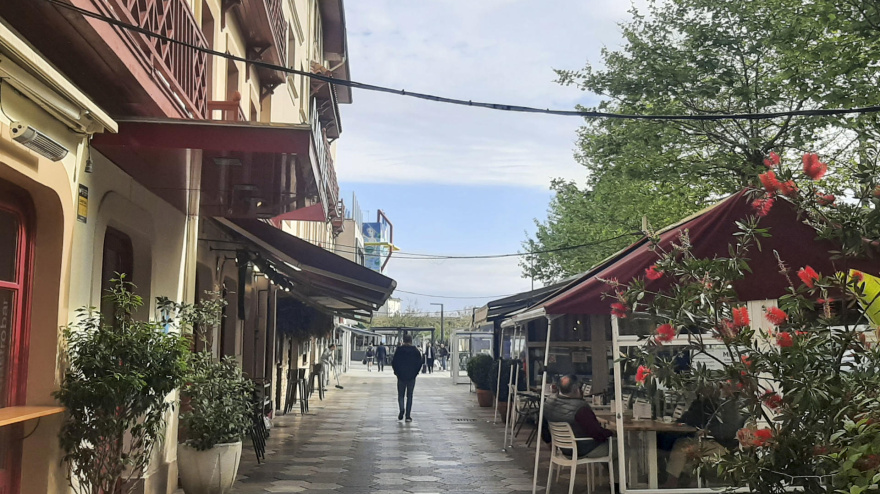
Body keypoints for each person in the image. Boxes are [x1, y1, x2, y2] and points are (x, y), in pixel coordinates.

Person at [662, 396, 743, 488]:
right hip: (709, 440)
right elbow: (690, 416)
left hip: (722, 446)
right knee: (675, 442)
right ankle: (680, 480)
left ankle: (672, 482)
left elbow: (730, 431)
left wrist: (709, 430)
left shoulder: (728, 405)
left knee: (682, 447)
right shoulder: (705, 402)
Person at [542, 374, 613, 455]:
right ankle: (612, 467)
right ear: (575, 388)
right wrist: (611, 433)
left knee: (609, 447)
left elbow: (542, 425)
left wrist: (548, 441)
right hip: (583, 448)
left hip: (563, 447)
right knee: (622, 448)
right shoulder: (580, 408)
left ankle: (608, 467)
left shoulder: (548, 402)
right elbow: (596, 433)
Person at [391, 334, 423, 422]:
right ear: (411, 341)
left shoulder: (399, 350)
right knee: (409, 396)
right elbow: (420, 363)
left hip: (401, 376)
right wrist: (415, 373)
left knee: (401, 395)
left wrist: (396, 372)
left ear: (403, 340)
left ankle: (401, 409)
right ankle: (408, 416)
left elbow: (394, 362)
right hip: (411, 377)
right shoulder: (415, 351)